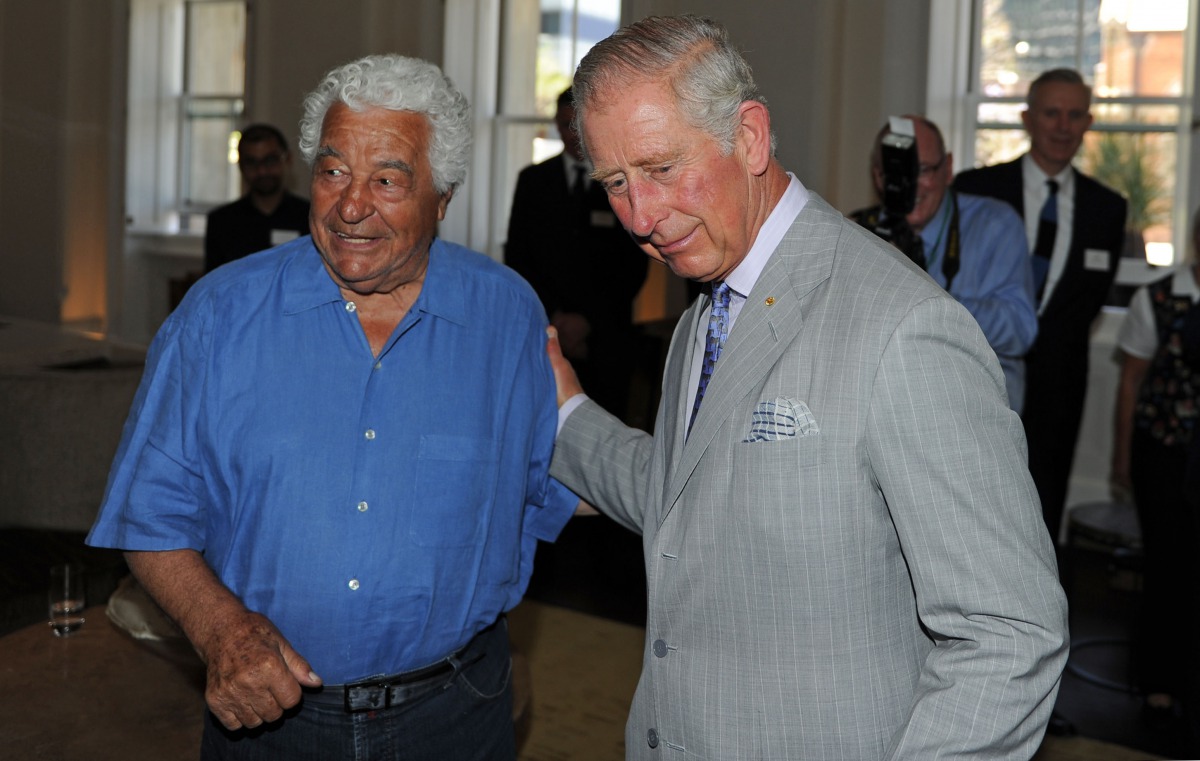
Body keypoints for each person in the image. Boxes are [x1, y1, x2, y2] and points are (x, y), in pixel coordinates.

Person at [546, 15, 1068, 759]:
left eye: (661, 169)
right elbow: (687, 494)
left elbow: (1009, 633)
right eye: (617, 183)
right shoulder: (706, 311)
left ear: (750, 138)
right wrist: (566, 415)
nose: (640, 217)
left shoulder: (904, 327)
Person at [87, 54, 576, 760]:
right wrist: (223, 630)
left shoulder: (506, 319)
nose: (350, 204)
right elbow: (147, 512)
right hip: (270, 719)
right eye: (333, 169)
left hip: (455, 713)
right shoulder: (219, 316)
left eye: (387, 179)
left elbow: (553, 477)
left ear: (442, 198)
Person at [955, 68, 1127, 545]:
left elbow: (1088, 301)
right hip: (980, 372)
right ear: (1028, 118)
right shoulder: (976, 190)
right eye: (1051, 112)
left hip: (1060, 385)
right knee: (971, 501)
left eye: (1074, 115)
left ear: (1088, 122)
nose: (1062, 126)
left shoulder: (1107, 209)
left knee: (1043, 509)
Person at [851, 115, 1037, 412]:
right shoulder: (860, 234)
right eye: (896, 173)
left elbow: (1020, 330)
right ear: (877, 177)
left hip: (974, 411)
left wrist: (923, 302)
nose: (911, 186)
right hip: (892, 410)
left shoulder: (994, 225)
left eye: (923, 170)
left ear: (948, 169)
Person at [506, 87, 649, 419]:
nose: (570, 134)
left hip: (606, 339)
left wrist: (587, 321)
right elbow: (518, 257)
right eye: (563, 124)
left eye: (577, 126)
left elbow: (632, 265)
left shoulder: (621, 183)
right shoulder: (533, 181)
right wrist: (554, 318)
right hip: (544, 333)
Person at [1111, 208, 1200, 726]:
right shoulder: (1158, 297)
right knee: (1167, 566)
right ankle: (1160, 681)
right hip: (1163, 452)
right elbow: (1131, 383)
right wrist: (1121, 457)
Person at [204, 123, 311, 272]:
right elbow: (214, 286)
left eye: (270, 160)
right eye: (252, 162)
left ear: (288, 159)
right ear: (240, 166)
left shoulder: (310, 217)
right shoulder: (221, 222)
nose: (262, 171)